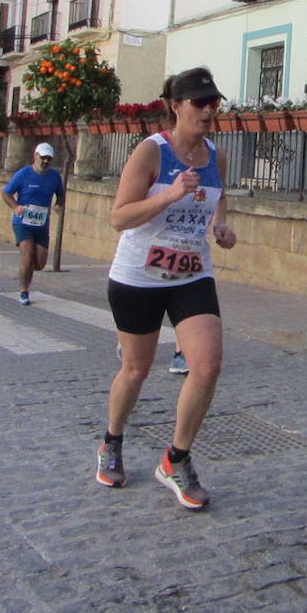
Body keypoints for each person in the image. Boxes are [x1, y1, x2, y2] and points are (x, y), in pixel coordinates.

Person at [96, 67, 237, 510]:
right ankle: (111, 441)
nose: (209, 111)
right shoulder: (151, 152)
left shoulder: (215, 155)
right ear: (176, 106)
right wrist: (169, 195)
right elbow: (119, 217)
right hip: (138, 276)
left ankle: (176, 459)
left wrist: (222, 226)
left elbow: (219, 199)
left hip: (192, 274)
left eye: (214, 103)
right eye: (200, 103)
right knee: (136, 370)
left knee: (208, 365)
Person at [2, 142, 65, 306]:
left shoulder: (54, 176)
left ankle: (27, 273)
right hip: (22, 222)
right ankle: (24, 291)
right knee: (27, 256)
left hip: (42, 224)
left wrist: (58, 205)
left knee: (39, 264)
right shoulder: (23, 174)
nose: (45, 161)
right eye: (43, 158)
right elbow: (6, 193)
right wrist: (15, 207)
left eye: (49, 159)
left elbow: (61, 195)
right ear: (35, 156)